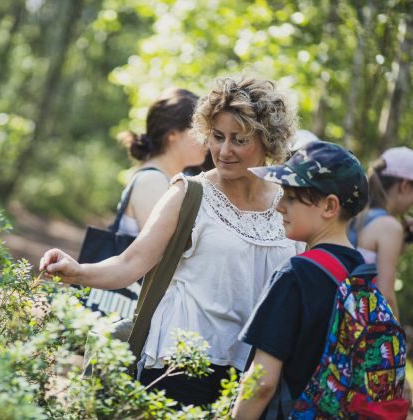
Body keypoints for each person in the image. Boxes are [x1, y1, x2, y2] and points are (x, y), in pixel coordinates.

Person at [41, 76, 300, 406]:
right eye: (217, 137)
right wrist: (77, 271)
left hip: (252, 374)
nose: (223, 150)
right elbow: (131, 262)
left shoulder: (289, 203)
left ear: (268, 140)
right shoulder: (189, 193)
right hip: (178, 364)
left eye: (240, 139)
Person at [232, 142, 372, 418]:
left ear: (330, 206)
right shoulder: (361, 275)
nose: (279, 206)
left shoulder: (295, 275)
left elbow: (261, 382)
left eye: (292, 198)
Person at [84, 88, 207, 320]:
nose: (207, 140)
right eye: (198, 130)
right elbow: (167, 253)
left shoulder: (166, 178)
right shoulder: (153, 180)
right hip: (125, 311)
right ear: (173, 135)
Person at [347, 147, 413, 321]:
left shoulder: (355, 215)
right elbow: (386, 295)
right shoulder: (389, 227)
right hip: (362, 326)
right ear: (404, 186)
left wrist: (403, 241)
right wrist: (399, 339)